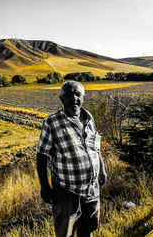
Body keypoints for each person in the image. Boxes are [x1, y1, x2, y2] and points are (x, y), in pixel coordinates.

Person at [37, 81, 107, 237]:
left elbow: (95, 148)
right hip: (66, 190)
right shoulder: (51, 122)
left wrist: (101, 170)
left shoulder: (89, 118)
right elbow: (41, 155)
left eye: (78, 94)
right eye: (68, 95)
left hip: (91, 188)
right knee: (65, 233)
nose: (73, 98)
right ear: (61, 99)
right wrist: (44, 186)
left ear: (83, 98)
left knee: (88, 229)